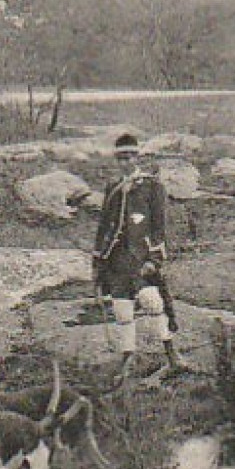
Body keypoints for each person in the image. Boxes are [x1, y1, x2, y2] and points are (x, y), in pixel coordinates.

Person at [93, 133, 181, 380]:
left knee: (153, 304)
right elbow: (104, 227)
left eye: (130, 156)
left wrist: (154, 259)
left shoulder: (153, 187)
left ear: (138, 157)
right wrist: (98, 262)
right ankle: (127, 357)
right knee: (122, 312)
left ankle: (171, 354)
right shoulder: (113, 188)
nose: (126, 162)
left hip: (141, 259)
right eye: (121, 158)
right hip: (117, 260)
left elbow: (159, 228)